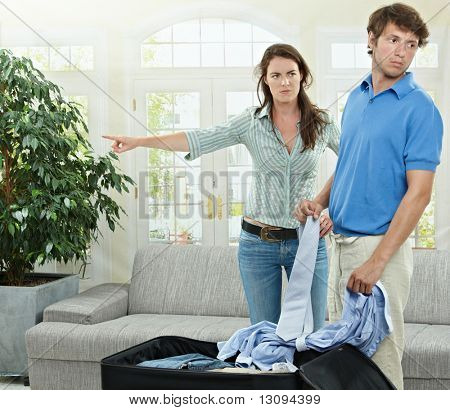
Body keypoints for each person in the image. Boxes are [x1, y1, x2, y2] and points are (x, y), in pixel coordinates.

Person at [103, 44, 340, 331]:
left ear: (302, 75)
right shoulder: (250, 122)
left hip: (307, 241)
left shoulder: (323, 123)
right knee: (263, 337)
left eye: (291, 73)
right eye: (275, 75)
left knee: (310, 333)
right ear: (265, 79)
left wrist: (328, 209)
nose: (284, 82)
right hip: (257, 244)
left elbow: (353, 166)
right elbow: (200, 138)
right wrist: (139, 141)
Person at [295, 3, 443, 389]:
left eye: (411, 45)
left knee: (380, 363)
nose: (402, 52)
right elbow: (349, 163)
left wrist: (377, 263)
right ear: (372, 40)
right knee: (341, 360)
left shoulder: (421, 109)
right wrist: (320, 200)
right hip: (339, 245)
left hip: (380, 251)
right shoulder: (358, 96)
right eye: (394, 40)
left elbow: (420, 194)